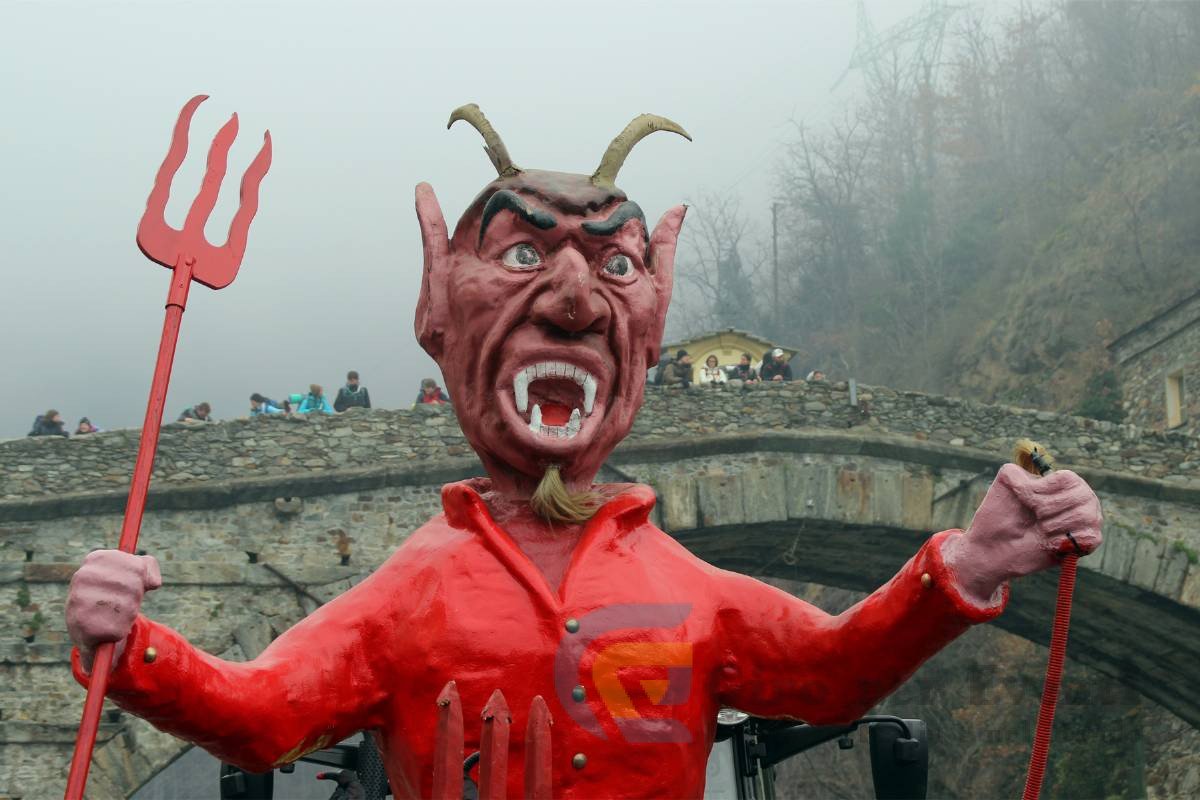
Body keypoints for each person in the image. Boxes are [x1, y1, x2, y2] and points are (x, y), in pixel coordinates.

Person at [67, 105, 1104, 800]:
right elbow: (264, 712)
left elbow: (828, 674)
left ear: (647, 327)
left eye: (610, 262)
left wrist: (965, 565)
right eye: (521, 254)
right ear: (438, 308)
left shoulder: (690, 591)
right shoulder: (410, 598)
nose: (570, 296)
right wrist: (131, 644)